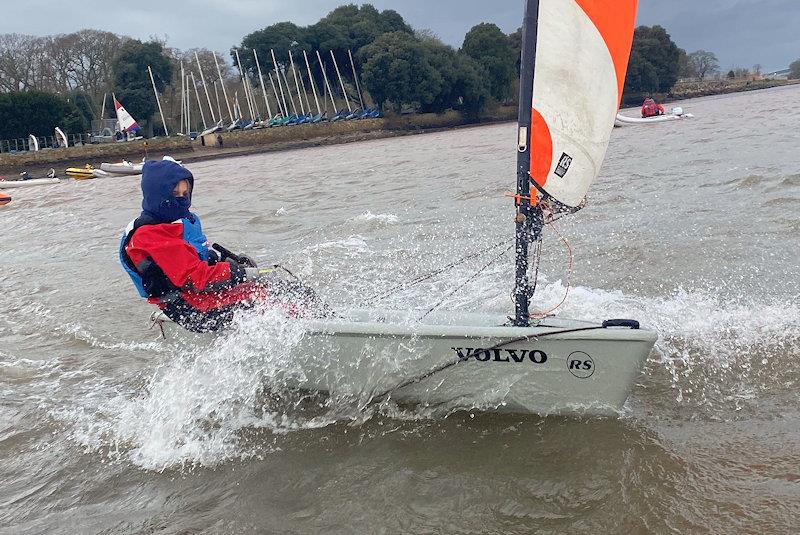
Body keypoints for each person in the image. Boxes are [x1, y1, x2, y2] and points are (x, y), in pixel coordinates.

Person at [118, 159, 315, 332]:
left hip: (201, 298)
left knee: (288, 287)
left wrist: (226, 261)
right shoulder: (151, 235)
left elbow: (197, 257)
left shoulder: (171, 224)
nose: (182, 198)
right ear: (158, 195)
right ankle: (316, 328)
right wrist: (240, 273)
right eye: (175, 193)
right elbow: (197, 277)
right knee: (271, 294)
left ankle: (326, 320)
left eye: (185, 192)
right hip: (192, 310)